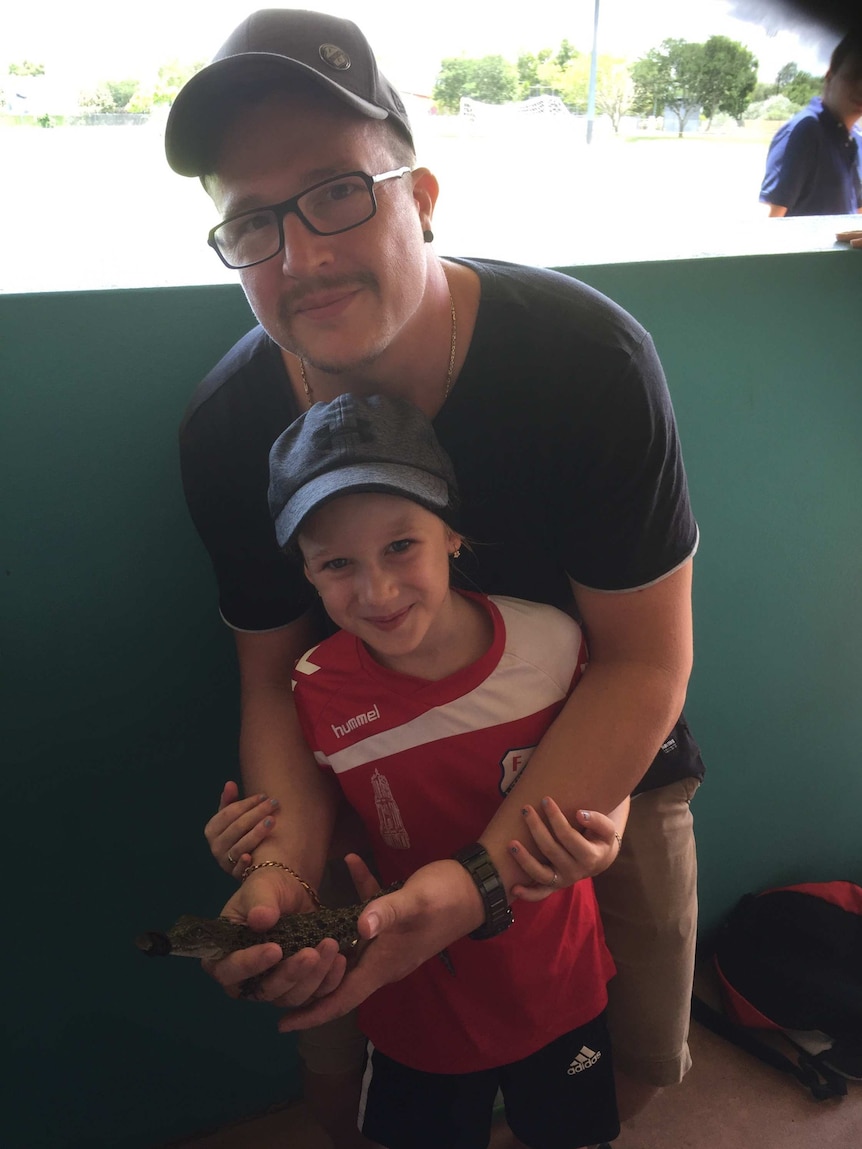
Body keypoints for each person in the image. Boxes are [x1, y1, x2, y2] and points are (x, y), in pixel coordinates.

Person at [166, 6, 703, 1138]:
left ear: (418, 195)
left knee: (636, 1047)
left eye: (335, 193)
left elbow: (644, 658)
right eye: (252, 223)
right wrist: (286, 873)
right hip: (370, 771)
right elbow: (274, 677)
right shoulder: (227, 432)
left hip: (587, 764)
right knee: (337, 1036)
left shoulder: (588, 363)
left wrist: (484, 882)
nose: (300, 255)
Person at [251, 390, 625, 1148]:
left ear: (452, 531)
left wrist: (607, 834)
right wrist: (261, 852)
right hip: (415, 996)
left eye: (400, 547)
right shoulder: (315, 687)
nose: (378, 591)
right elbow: (340, 822)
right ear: (307, 571)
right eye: (337, 563)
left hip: (558, 979)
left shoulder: (551, 643)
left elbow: (607, 771)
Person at [760, 29, 862, 217]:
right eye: (853, 76)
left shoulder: (854, 139)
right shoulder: (805, 131)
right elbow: (771, 218)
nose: (860, 86)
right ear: (829, 78)